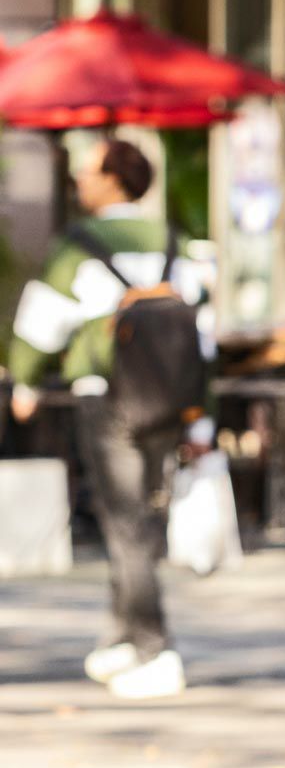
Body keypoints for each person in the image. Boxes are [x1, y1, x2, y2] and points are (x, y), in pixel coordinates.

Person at [7, 136, 207, 700]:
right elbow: (203, 335)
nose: (79, 183)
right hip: (169, 398)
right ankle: (121, 637)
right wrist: (204, 417)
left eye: (88, 173)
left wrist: (25, 380)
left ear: (114, 179)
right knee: (139, 518)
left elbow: (40, 322)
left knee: (126, 521)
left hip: (108, 395)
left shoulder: (78, 244)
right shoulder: (172, 240)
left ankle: (154, 647)